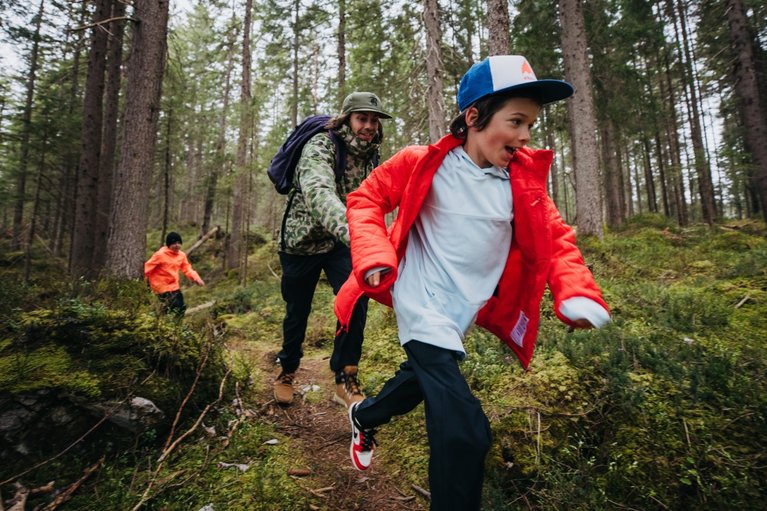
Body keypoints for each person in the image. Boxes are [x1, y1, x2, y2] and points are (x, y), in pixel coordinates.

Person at [333, 55, 611, 510]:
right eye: (516, 121)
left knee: (418, 382)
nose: (524, 136)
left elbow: (557, 240)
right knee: (466, 433)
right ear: (474, 117)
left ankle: (364, 416)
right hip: (420, 303)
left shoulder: (522, 183)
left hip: (460, 313)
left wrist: (576, 291)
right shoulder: (423, 163)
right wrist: (375, 253)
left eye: (530, 125)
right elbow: (365, 199)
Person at [274, 92, 393, 407]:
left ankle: (345, 375)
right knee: (297, 311)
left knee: (357, 300)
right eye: (362, 118)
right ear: (347, 119)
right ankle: (287, 368)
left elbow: (375, 199)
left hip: (340, 244)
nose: (368, 126)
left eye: (373, 120)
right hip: (302, 242)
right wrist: (357, 235)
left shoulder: (371, 156)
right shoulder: (321, 146)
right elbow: (318, 191)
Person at [144, 232, 205, 316]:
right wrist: (142, 283)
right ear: (169, 244)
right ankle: (164, 324)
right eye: (174, 243)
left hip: (174, 287)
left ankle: (175, 326)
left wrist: (196, 278)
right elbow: (147, 268)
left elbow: (187, 269)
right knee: (171, 308)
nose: (177, 245)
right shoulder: (160, 255)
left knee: (181, 308)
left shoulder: (182, 255)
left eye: (179, 243)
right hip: (161, 287)